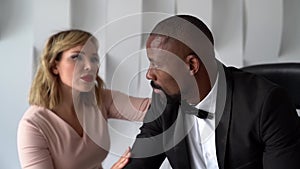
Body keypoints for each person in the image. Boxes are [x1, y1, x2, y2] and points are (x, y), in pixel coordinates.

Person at [124, 15, 300, 169]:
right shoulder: (163, 100)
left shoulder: (267, 104)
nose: (149, 74)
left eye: (157, 64)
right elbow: (140, 163)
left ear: (191, 65)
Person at [17, 29, 151, 169]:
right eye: (76, 57)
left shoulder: (100, 99)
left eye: (94, 58)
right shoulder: (33, 126)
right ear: (54, 66)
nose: (89, 66)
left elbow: (155, 110)